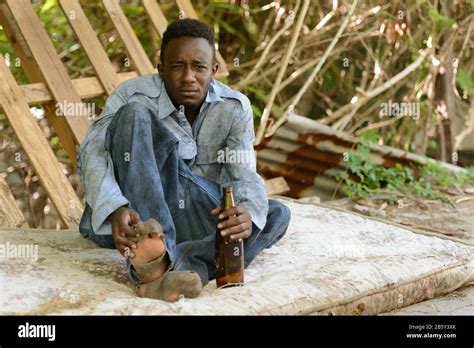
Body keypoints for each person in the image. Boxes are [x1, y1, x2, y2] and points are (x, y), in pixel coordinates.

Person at [77, 18, 291, 301]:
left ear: (213, 70)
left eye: (199, 67)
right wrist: (116, 207)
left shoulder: (234, 107)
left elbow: (243, 172)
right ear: (161, 69)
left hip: (191, 214)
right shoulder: (132, 96)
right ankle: (155, 260)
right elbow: (92, 153)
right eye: (178, 66)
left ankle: (183, 269)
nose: (188, 77)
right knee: (135, 114)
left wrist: (248, 212)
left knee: (274, 214)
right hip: (133, 222)